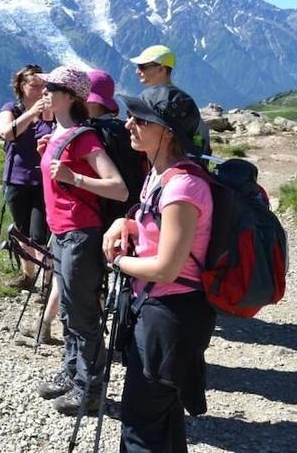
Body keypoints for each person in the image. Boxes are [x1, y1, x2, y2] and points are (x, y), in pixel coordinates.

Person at [103, 85, 216, 451]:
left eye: (140, 119)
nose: (128, 124)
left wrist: (118, 262)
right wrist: (128, 223)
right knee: (162, 420)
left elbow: (167, 268)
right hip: (158, 310)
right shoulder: (160, 175)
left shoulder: (183, 186)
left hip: (170, 316)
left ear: (167, 131)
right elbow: (155, 226)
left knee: (140, 426)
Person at [34, 66, 128, 415]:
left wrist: (74, 177)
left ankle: (89, 388)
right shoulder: (59, 134)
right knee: (70, 312)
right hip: (61, 233)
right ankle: (72, 372)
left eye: (52, 87)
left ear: (71, 96)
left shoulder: (84, 137)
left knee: (83, 313)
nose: (44, 91)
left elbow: (118, 188)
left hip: (79, 234)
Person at [0, 64, 54, 292]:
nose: (39, 89)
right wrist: (32, 113)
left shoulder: (52, 112)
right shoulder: (13, 109)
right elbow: (7, 133)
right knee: (22, 232)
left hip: (44, 181)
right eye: (34, 84)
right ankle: (27, 276)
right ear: (21, 86)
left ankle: (47, 281)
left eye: (43, 85)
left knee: (41, 235)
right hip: (16, 179)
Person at [129, 45, 210, 155]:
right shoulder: (184, 102)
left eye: (142, 66)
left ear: (161, 69)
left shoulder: (146, 101)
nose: (137, 71)